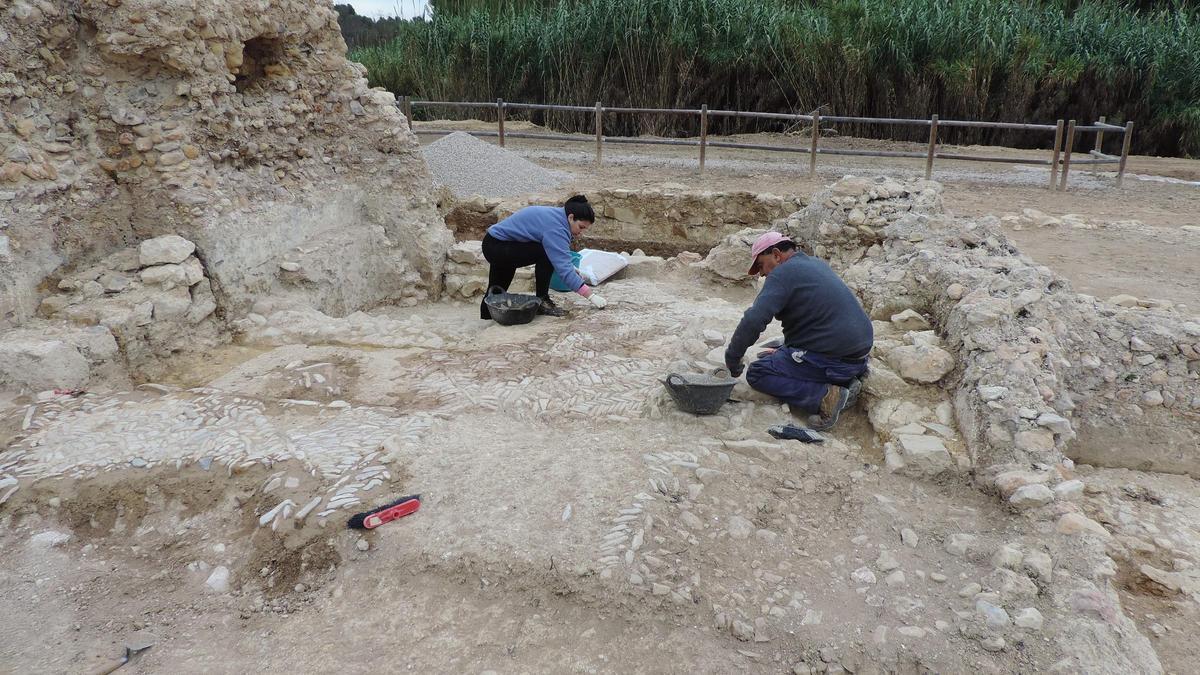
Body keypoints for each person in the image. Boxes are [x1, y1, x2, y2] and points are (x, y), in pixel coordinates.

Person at [724, 232, 873, 430]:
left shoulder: (781, 274)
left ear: (776, 255)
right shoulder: (814, 263)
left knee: (758, 372)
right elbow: (816, 316)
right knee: (778, 351)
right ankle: (846, 379)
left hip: (833, 360)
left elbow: (754, 320)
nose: (761, 273)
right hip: (857, 357)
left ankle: (826, 397)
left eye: (761, 265)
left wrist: (733, 357)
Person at [480, 195, 608, 319]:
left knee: (497, 291)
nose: (581, 232)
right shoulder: (557, 228)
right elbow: (562, 267)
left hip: (496, 243)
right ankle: (542, 300)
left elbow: (559, 255)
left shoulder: (558, 217)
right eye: (581, 227)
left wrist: (570, 266)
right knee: (545, 253)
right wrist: (591, 296)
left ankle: (486, 317)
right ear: (571, 217)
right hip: (498, 246)